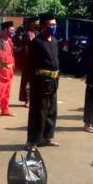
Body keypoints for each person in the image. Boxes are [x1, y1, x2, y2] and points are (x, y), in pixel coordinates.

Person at [26, 13, 60, 150]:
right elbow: (30, 65)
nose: (53, 27)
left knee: (51, 110)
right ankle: (32, 141)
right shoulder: (37, 42)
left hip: (53, 80)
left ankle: (47, 137)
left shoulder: (54, 41)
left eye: (55, 24)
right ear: (44, 26)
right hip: (40, 82)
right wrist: (31, 83)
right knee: (38, 112)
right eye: (51, 25)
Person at [0, 21, 16, 118]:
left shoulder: (9, 41)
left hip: (9, 70)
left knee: (7, 92)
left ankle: (5, 109)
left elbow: (12, 55)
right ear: (5, 30)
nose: (12, 32)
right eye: (11, 30)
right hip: (0, 71)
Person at [16, 18, 39, 107]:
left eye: (38, 23)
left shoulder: (38, 34)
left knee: (35, 82)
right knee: (27, 82)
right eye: (35, 23)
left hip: (36, 62)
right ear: (31, 24)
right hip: (27, 62)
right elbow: (23, 49)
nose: (37, 24)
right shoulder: (26, 34)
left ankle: (34, 99)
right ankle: (27, 100)